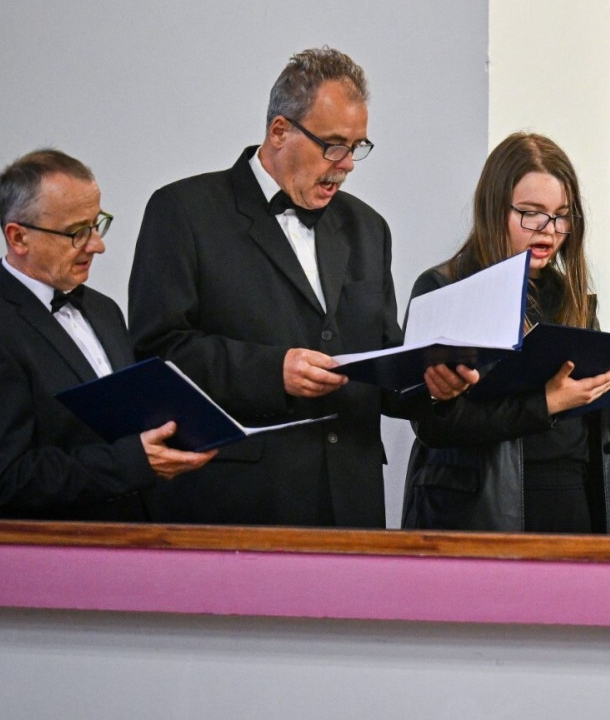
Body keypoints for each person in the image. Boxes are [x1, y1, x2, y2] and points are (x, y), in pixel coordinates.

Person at [128, 47, 473, 527]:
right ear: (279, 131)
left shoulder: (368, 228)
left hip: (352, 505)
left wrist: (431, 382)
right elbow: (157, 353)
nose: (347, 164)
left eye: (357, 146)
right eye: (333, 145)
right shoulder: (184, 211)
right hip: (237, 507)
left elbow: (382, 363)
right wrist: (273, 371)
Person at [401, 132, 610, 533]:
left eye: (561, 215)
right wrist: (546, 403)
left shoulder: (570, 298)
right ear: (493, 208)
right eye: (531, 213)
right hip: (482, 513)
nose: (549, 230)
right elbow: (433, 424)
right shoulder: (444, 288)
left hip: (575, 503)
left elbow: (604, 429)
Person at [0, 149, 214, 520]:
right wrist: (132, 461)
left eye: (97, 224)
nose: (97, 244)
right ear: (18, 238)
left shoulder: (103, 309)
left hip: (136, 536)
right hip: (51, 549)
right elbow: (4, 480)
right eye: (76, 232)